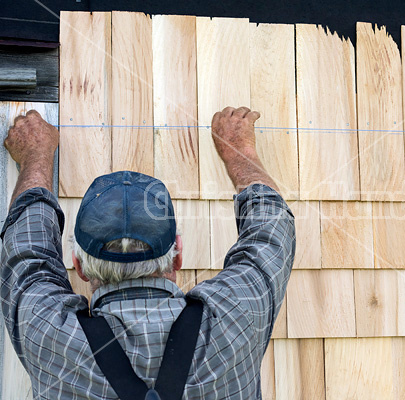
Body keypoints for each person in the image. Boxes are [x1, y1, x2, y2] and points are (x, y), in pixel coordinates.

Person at [0, 106, 295, 399]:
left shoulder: (50, 335)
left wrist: (35, 158)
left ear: (78, 265)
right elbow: (271, 233)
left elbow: (28, 252)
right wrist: (239, 153)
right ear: (177, 254)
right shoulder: (236, 320)